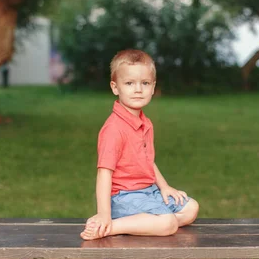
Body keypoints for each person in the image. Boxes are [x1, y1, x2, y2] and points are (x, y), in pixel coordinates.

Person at [80, 49, 199, 241]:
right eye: (129, 83)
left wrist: (165, 187)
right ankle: (109, 227)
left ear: (153, 87)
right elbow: (104, 173)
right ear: (115, 87)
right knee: (168, 223)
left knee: (191, 208)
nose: (138, 89)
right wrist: (104, 214)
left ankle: (147, 222)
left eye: (144, 83)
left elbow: (147, 161)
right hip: (123, 197)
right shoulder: (114, 129)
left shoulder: (145, 123)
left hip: (148, 191)